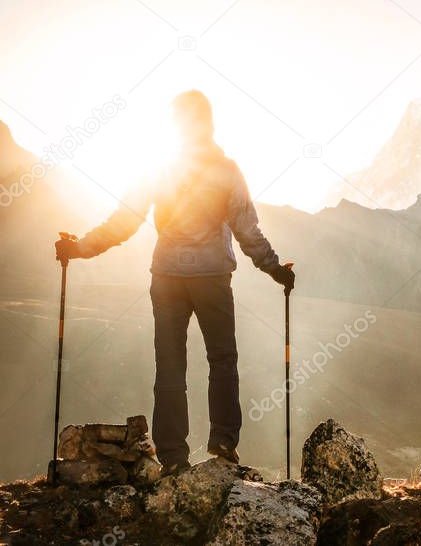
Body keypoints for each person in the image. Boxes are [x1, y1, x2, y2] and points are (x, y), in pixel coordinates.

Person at [54, 90, 295, 475]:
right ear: (209, 122)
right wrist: (275, 268)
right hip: (212, 277)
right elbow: (248, 230)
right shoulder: (225, 169)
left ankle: (172, 456)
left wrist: (78, 248)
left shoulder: (158, 167)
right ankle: (223, 441)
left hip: (166, 276)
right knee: (222, 359)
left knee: (169, 366)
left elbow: (123, 223)